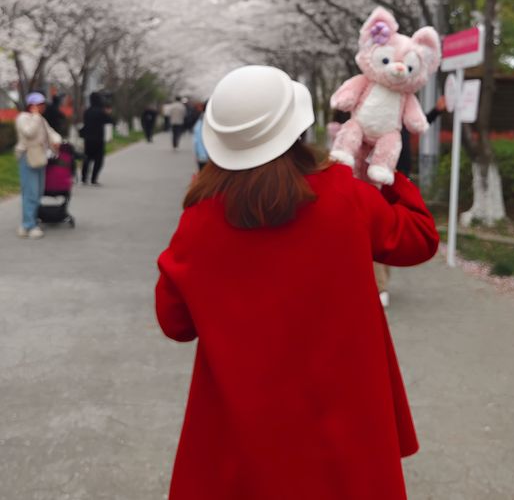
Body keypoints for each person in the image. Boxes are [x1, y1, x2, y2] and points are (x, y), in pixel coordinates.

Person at [156, 65, 439, 500]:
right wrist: (385, 177)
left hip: (242, 428)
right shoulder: (344, 196)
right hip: (342, 421)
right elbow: (419, 240)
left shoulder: (199, 219)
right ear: (297, 131)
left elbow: (176, 324)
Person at [377, 94, 448, 306]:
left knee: (389, 232)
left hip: (400, 182)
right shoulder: (376, 117)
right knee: (379, 229)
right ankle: (380, 286)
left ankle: (381, 282)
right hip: (378, 179)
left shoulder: (404, 112)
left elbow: (420, 123)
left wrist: (437, 110)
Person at [14, 92, 62, 238]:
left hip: (40, 157)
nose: (42, 107)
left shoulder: (40, 119)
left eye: (42, 104)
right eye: (40, 104)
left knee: (38, 192)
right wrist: (35, 117)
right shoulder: (23, 118)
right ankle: (29, 225)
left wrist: (57, 140)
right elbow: (29, 133)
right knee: (30, 192)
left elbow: (50, 132)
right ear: (32, 106)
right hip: (28, 157)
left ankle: (29, 222)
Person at [81, 92, 112, 185]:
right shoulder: (101, 111)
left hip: (88, 139)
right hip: (98, 139)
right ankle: (93, 179)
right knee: (98, 160)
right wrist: (108, 113)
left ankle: (84, 178)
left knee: (87, 158)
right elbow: (109, 121)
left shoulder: (87, 111)